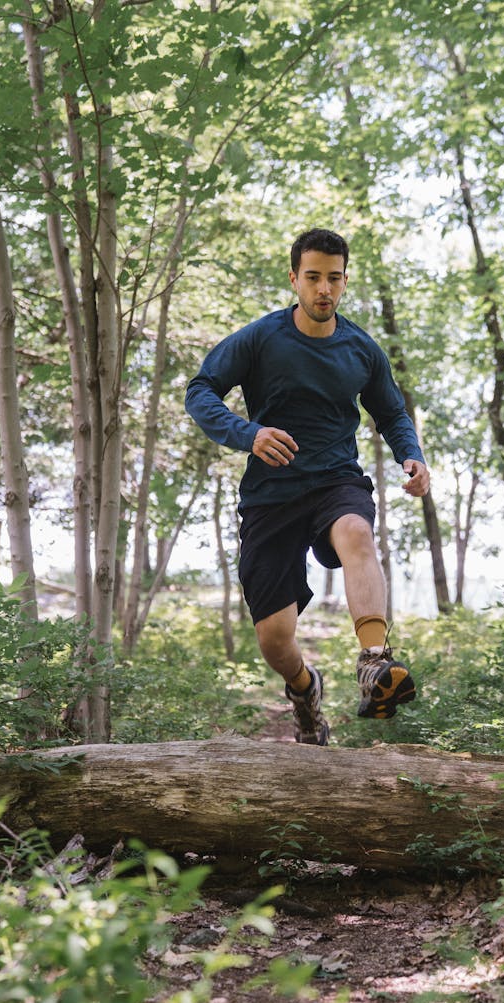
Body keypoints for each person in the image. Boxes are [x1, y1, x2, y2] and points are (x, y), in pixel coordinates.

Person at [185, 227, 430, 745]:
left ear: (345, 282)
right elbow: (201, 389)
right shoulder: (261, 338)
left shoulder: (361, 349)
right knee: (275, 639)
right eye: (313, 277)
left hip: (335, 479)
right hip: (270, 495)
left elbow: (391, 412)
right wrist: (247, 435)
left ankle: (373, 661)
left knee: (356, 533)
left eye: (334, 279)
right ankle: (304, 688)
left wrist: (412, 455)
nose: (324, 289)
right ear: (294, 278)